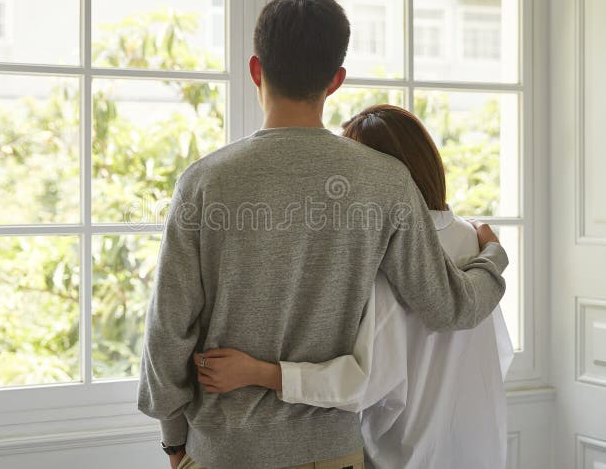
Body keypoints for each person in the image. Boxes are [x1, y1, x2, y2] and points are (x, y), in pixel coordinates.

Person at [137, 0, 509, 469]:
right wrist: (494, 257)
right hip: (332, 454)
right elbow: (448, 306)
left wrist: (174, 442)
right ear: (336, 81)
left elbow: (167, 332)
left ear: (256, 69)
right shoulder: (385, 181)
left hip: (224, 451)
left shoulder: (204, 182)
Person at [193, 105, 515, 469]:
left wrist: (259, 372)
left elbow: (363, 382)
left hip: (403, 455)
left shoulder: (380, 251)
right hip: (480, 447)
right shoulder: (474, 239)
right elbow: (496, 354)